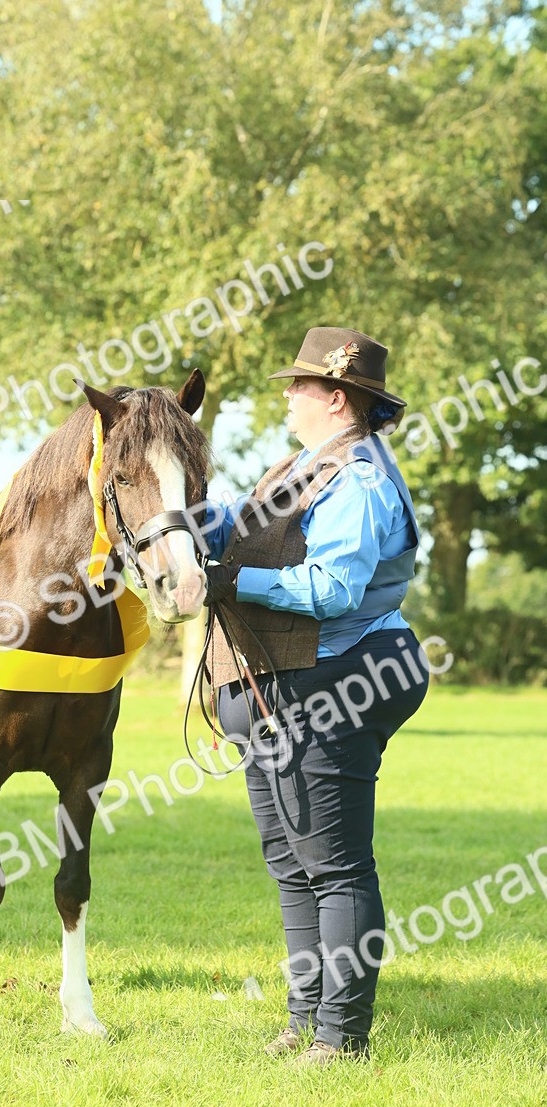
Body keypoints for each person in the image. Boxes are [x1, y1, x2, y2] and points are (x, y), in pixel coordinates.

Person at [202, 327, 429, 1068]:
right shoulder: (301, 466)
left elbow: (333, 591)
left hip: (342, 675)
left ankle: (342, 1037)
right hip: (284, 684)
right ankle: (305, 1021)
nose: (289, 396)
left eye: (299, 385)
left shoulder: (358, 480)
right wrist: (173, 523)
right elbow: (238, 527)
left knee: (334, 865)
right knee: (292, 862)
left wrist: (231, 582)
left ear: (336, 399)